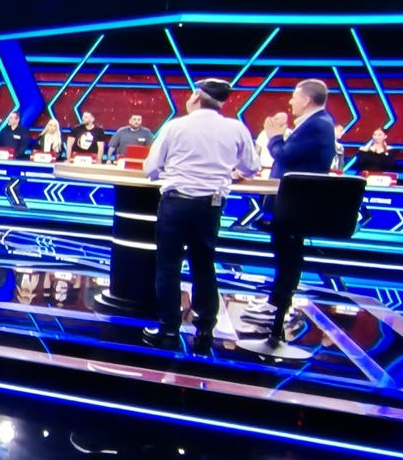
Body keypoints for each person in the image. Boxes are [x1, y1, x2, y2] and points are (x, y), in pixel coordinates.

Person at [142, 79, 259, 352]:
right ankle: (205, 329)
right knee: (204, 265)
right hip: (211, 206)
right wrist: (230, 174)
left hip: (176, 203)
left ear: (196, 96)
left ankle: (168, 329)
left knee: (169, 266)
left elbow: (151, 168)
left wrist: (169, 171)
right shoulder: (236, 128)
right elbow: (251, 167)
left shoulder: (175, 126)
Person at [259, 79, 339, 346]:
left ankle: (279, 306)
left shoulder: (317, 124)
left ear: (306, 100)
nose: (291, 101)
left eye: (294, 96)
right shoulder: (318, 123)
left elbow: (285, 155)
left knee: (288, 254)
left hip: (297, 204)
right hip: (293, 203)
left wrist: (273, 137)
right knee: (285, 252)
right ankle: (277, 304)